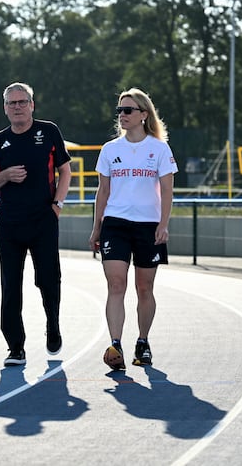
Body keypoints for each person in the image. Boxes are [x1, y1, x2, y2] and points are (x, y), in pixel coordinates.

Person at [0, 81, 72, 366]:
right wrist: (5, 175)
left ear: (32, 105)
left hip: (43, 219)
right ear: (5, 108)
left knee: (48, 279)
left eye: (22, 102)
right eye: (12, 103)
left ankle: (53, 324)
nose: (17, 107)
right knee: (10, 285)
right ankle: (15, 346)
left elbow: (65, 171)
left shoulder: (49, 131)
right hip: (9, 223)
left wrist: (56, 206)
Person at [89, 88, 178, 371]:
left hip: (148, 226)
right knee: (116, 284)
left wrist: (163, 224)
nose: (123, 116)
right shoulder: (110, 149)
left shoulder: (159, 149)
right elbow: (102, 192)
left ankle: (143, 341)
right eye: (120, 111)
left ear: (143, 114)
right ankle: (116, 343)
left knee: (144, 287)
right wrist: (96, 228)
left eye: (128, 110)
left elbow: (167, 191)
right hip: (115, 224)